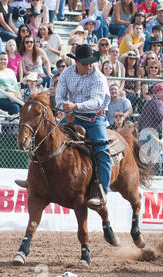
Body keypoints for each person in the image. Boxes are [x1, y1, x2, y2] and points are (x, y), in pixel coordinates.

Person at [55, 44, 112, 208]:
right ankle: (37, 181)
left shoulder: (98, 77)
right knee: (48, 138)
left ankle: (102, 193)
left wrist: (74, 107)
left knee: (102, 149)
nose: (89, 66)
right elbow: (59, 96)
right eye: (86, 63)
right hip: (72, 115)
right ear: (77, 62)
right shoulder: (66, 73)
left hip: (94, 117)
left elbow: (96, 102)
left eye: (91, 62)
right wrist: (63, 108)